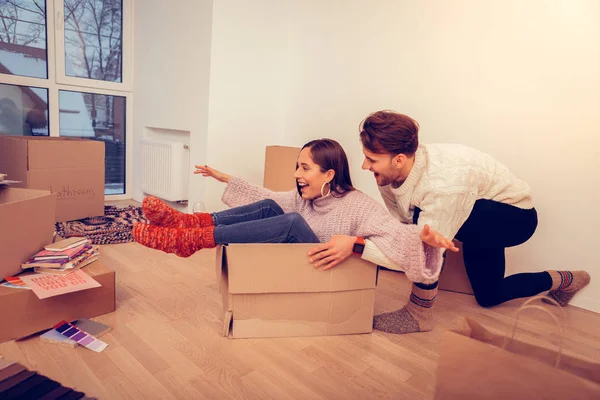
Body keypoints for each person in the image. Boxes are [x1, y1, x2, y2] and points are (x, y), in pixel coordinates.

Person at [308, 110, 591, 334]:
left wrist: (357, 246)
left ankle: (419, 313)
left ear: (399, 160)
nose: (364, 166)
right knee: (489, 295)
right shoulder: (391, 174)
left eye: (371, 159)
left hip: (514, 218)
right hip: (480, 216)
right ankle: (565, 280)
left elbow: (419, 251)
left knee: (425, 232)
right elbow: (400, 230)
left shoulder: (442, 186)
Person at [132, 139, 458, 285]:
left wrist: (423, 237)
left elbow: (397, 236)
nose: (298, 175)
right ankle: (188, 224)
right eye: (297, 167)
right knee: (276, 206)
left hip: (324, 270)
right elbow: (266, 199)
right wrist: (225, 178)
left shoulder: (359, 205)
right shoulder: (304, 197)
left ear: (329, 174)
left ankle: (194, 239)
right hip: (300, 262)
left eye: (305, 168)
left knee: (290, 221)